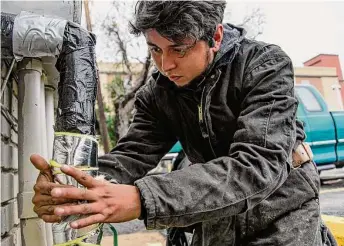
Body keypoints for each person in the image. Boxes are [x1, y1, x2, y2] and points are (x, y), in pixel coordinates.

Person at [31, 1, 337, 245]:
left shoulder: (264, 66)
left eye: (179, 49)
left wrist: (143, 198)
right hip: (213, 214)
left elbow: (257, 165)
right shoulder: (158, 94)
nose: (166, 65)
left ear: (214, 37)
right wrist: (71, 188)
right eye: (155, 49)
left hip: (282, 211)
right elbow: (131, 156)